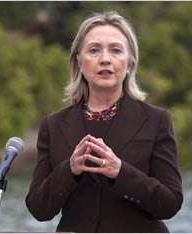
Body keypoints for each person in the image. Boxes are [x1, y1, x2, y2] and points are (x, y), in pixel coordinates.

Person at [26, 11, 183, 233]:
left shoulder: (157, 120)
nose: (105, 59)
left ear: (129, 63)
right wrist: (69, 169)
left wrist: (120, 172)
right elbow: (38, 209)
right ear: (79, 62)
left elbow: (170, 203)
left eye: (116, 50)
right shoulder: (53, 125)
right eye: (94, 50)